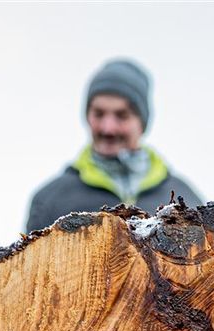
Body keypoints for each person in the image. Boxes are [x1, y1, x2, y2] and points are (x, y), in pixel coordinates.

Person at [24, 58, 202, 232]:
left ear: (142, 122)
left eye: (121, 115)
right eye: (99, 114)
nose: (108, 128)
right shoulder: (49, 201)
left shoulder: (187, 201)